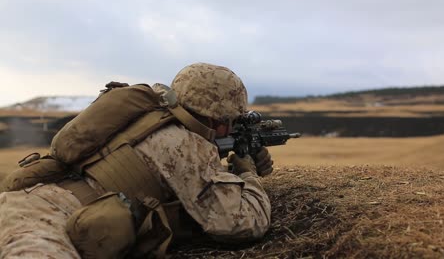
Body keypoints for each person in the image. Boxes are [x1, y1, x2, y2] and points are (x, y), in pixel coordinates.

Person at [0, 62, 273, 258]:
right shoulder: (183, 144)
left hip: (28, 201)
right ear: (218, 119)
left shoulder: (150, 117)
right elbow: (239, 224)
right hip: (44, 223)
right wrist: (248, 177)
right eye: (231, 121)